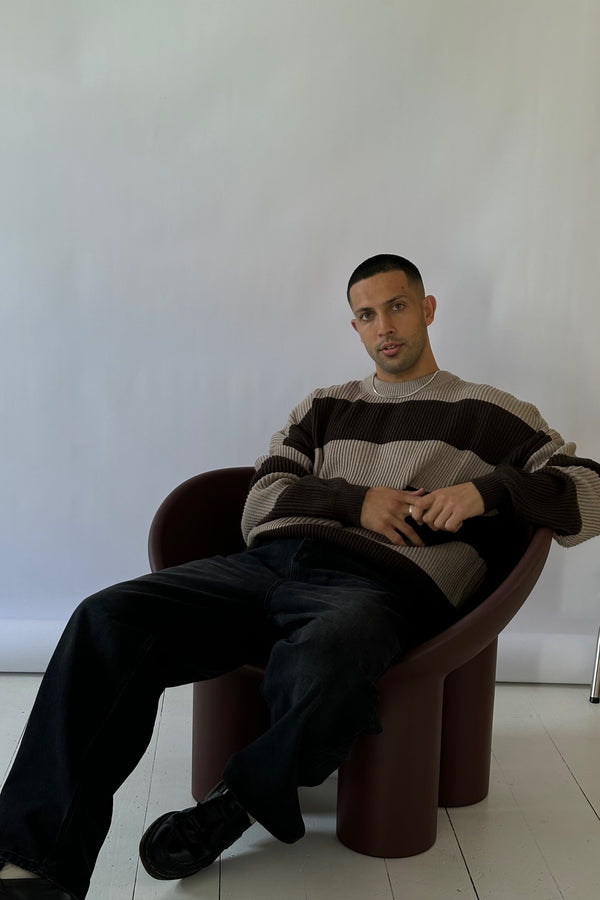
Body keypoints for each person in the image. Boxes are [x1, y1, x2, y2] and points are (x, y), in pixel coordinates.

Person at [1, 254, 599, 900]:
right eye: (366, 315)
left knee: (328, 658)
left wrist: (486, 492)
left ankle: (237, 802)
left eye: (397, 307)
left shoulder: (494, 414)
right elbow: (260, 500)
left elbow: (589, 488)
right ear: (355, 327)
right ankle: (32, 863)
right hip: (265, 567)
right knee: (104, 619)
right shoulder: (324, 406)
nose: (383, 327)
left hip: (379, 588)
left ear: (427, 310)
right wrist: (355, 502)